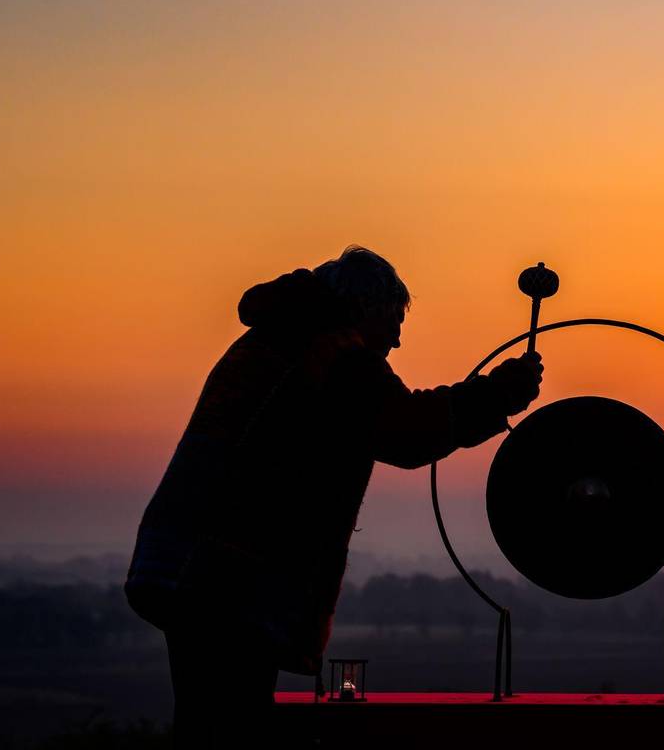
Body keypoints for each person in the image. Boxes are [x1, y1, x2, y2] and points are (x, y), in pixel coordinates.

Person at [124, 246, 542, 747]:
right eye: (392, 320)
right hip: (232, 574)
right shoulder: (333, 352)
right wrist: (494, 396)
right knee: (232, 726)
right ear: (364, 309)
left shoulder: (272, 339)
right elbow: (404, 430)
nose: (397, 339)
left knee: (204, 718)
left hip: (184, 558)